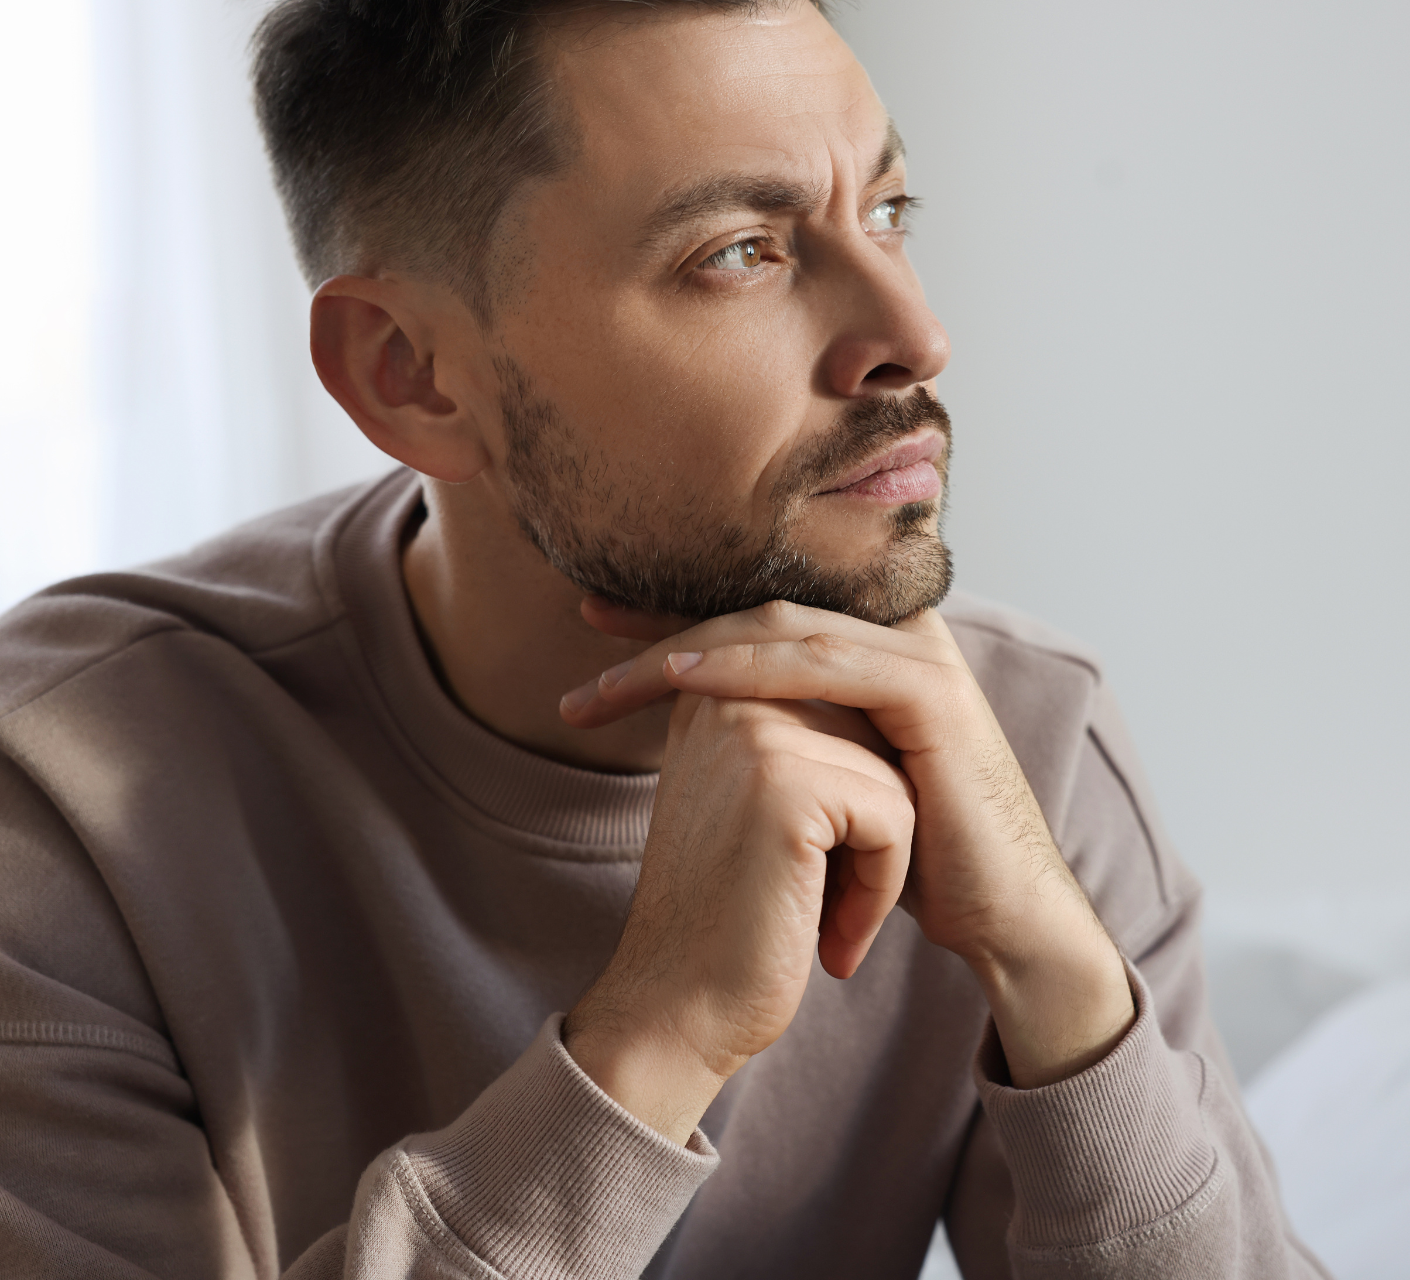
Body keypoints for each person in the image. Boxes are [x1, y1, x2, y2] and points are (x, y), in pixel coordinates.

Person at [0, 2, 1327, 1276]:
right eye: (739, 251)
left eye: (888, 213)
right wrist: (655, 1036)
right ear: (410, 371)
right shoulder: (67, 800)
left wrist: (1063, 990)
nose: (913, 337)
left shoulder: (1013, 741)